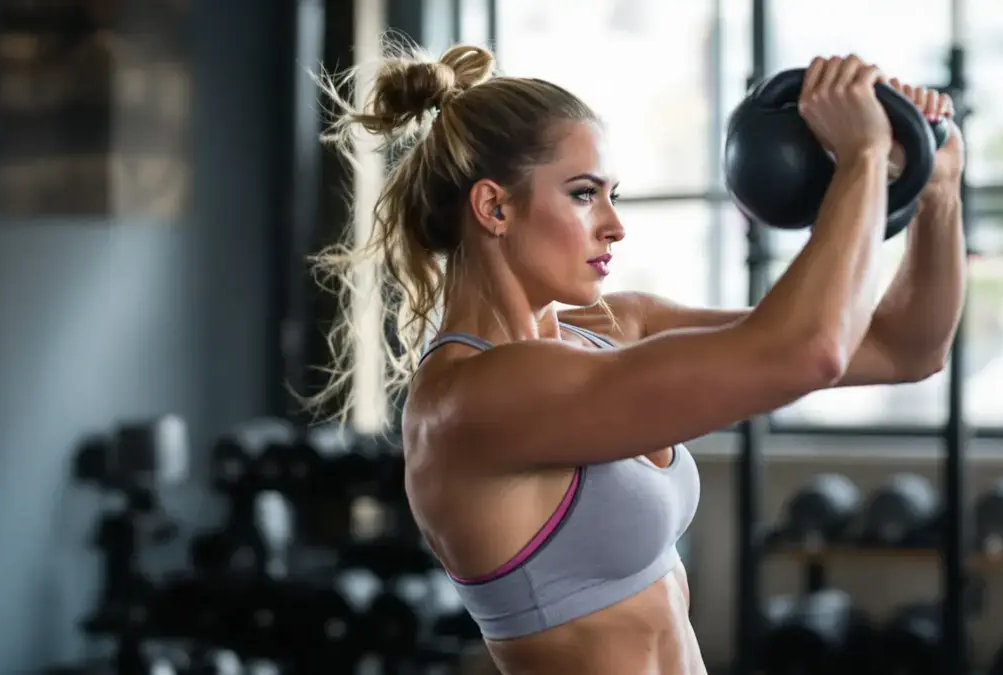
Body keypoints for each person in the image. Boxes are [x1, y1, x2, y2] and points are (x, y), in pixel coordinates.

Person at [311, 43, 966, 675]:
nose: (614, 224)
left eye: (612, 195)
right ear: (495, 206)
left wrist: (935, 189)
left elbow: (904, 346)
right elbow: (808, 351)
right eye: (582, 193)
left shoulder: (617, 327)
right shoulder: (473, 399)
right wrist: (863, 157)